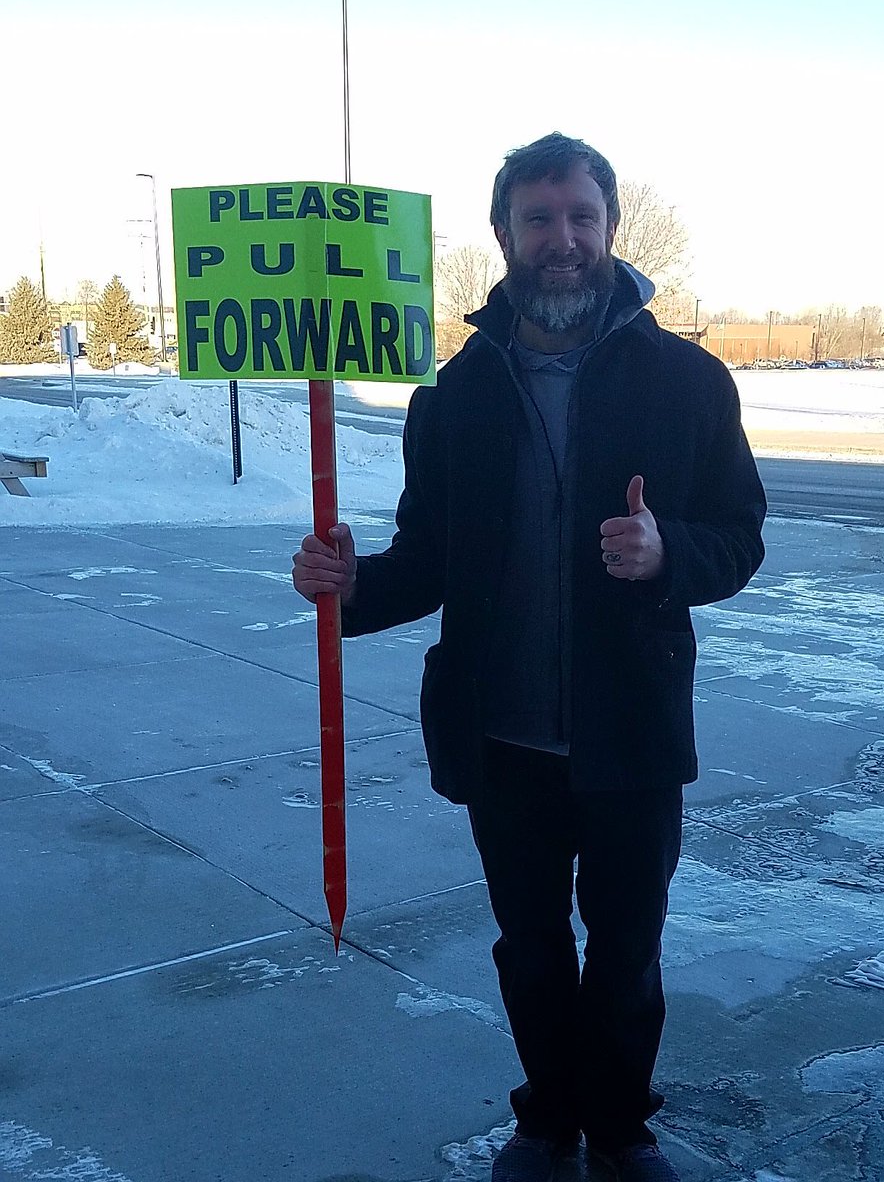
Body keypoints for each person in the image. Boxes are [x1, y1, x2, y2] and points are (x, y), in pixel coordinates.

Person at [292, 132, 767, 1182]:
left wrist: (666, 553)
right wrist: (351, 584)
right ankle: (547, 1118)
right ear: (504, 233)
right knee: (531, 946)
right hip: (500, 732)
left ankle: (620, 1126)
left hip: (631, 731)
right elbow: (428, 558)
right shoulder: (456, 396)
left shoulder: (687, 382)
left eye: (581, 217)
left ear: (611, 229)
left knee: (628, 948)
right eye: (539, 218)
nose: (562, 239)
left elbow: (740, 535)